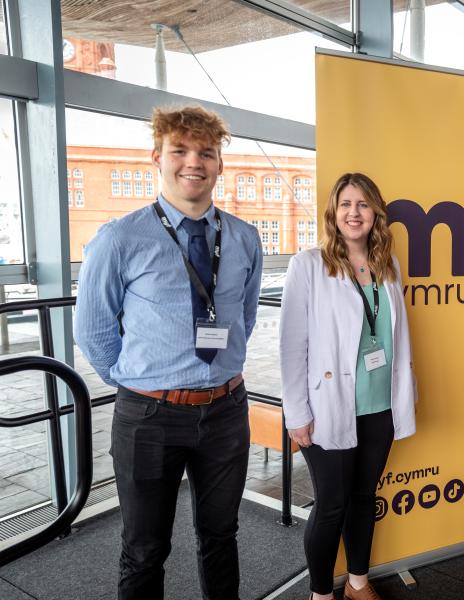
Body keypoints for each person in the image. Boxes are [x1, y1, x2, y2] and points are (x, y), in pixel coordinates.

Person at [74, 105, 263, 599]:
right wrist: (141, 383)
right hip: (149, 416)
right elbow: (93, 329)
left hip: (226, 411)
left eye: (206, 153)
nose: (193, 162)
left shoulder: (244, 238)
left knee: (222, 536)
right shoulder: (120, 239)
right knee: (144, 549)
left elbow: (244, 317)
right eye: (180, 150)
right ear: (157, 157)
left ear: (220, 164)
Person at [280, 172, 417, 600]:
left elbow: (394, 335)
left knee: (363, 497)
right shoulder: (308, 265)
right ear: (333, 213)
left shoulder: (387, 264)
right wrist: (296, 413)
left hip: (380, 405)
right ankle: (321, 594)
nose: (353, 213)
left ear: (375, 212)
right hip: (329, 408)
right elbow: (290, 346)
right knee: (331, 505)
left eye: (362, 205)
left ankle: (358, 582)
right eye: (345, 205)